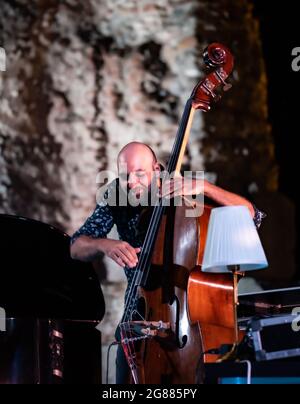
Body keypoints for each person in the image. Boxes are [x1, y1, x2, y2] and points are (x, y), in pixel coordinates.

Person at [70, 141, 265, 383]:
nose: (131, 183)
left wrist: (205, 187)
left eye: (140, 174)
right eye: (125, 175)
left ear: (157, 169)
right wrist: (104, 244)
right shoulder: (116, 194)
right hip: (138, 318)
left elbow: (251, 216)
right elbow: (76, 246)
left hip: (185, 320)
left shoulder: (185, 191)